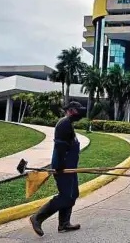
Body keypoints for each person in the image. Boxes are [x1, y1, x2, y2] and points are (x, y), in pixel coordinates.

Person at [30, 101, 86, 237]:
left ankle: (64, 224)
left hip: (70, 167)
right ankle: (37, 217)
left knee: (73, 194)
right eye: (78, 111)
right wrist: (60, 167)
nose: (80, 113)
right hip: (63, 167)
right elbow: (60, 147)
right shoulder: (64, 124)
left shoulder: (68, 124)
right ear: (71, 110)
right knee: (66, 196)